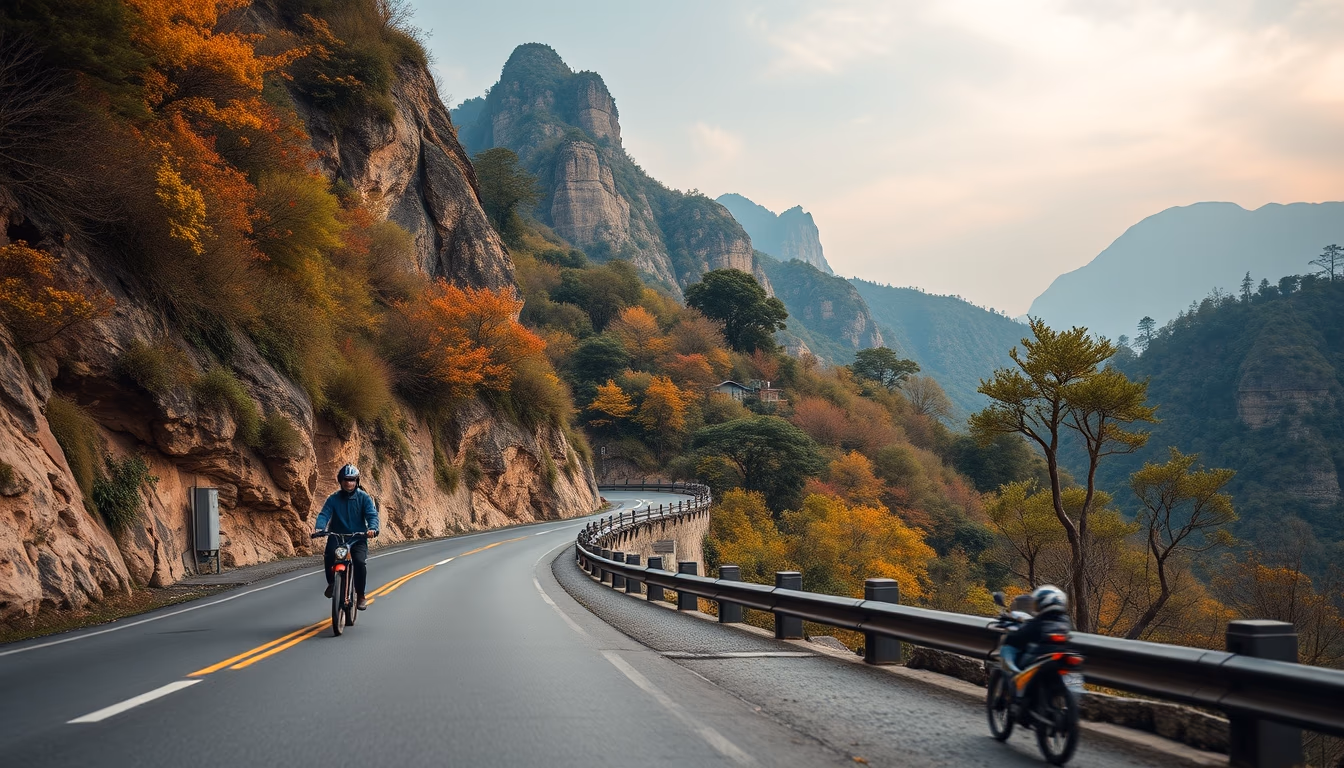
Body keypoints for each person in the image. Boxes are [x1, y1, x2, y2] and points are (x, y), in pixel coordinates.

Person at [314, 464, 379, 610]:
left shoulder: (364, 498)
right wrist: (320, 527)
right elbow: (324, 514)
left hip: (358, 538)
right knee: (329, 555)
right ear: (340, 480)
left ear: (357, 481)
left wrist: (372, 529)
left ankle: (361, 595)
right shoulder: (333, 499)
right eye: (345, 479)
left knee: (360, 563)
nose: (349, 483)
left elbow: (371, 515)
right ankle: (332, 583)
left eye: (352, 480)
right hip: (337, 536)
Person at [1001, 584, 1072, 680]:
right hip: (1060, 657)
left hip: (1041, 657)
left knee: (1023, 663)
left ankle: (1019, 688)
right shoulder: (1066, 621)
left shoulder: (1040, 621)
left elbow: (1022, 634)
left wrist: (1011, 637)